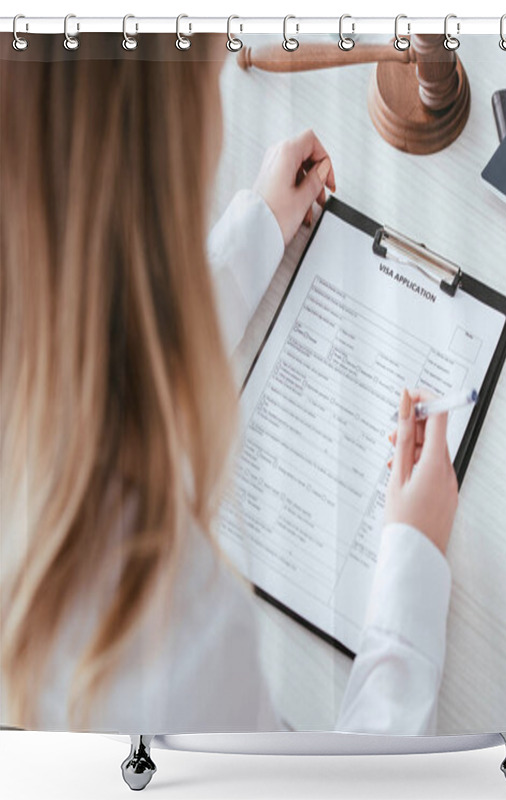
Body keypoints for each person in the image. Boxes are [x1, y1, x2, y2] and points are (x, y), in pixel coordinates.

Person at [0, 34, 458, 736]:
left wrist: (253, 237)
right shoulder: (155, 635)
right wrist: (414, 570)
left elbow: (95, 352)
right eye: (210, 77)